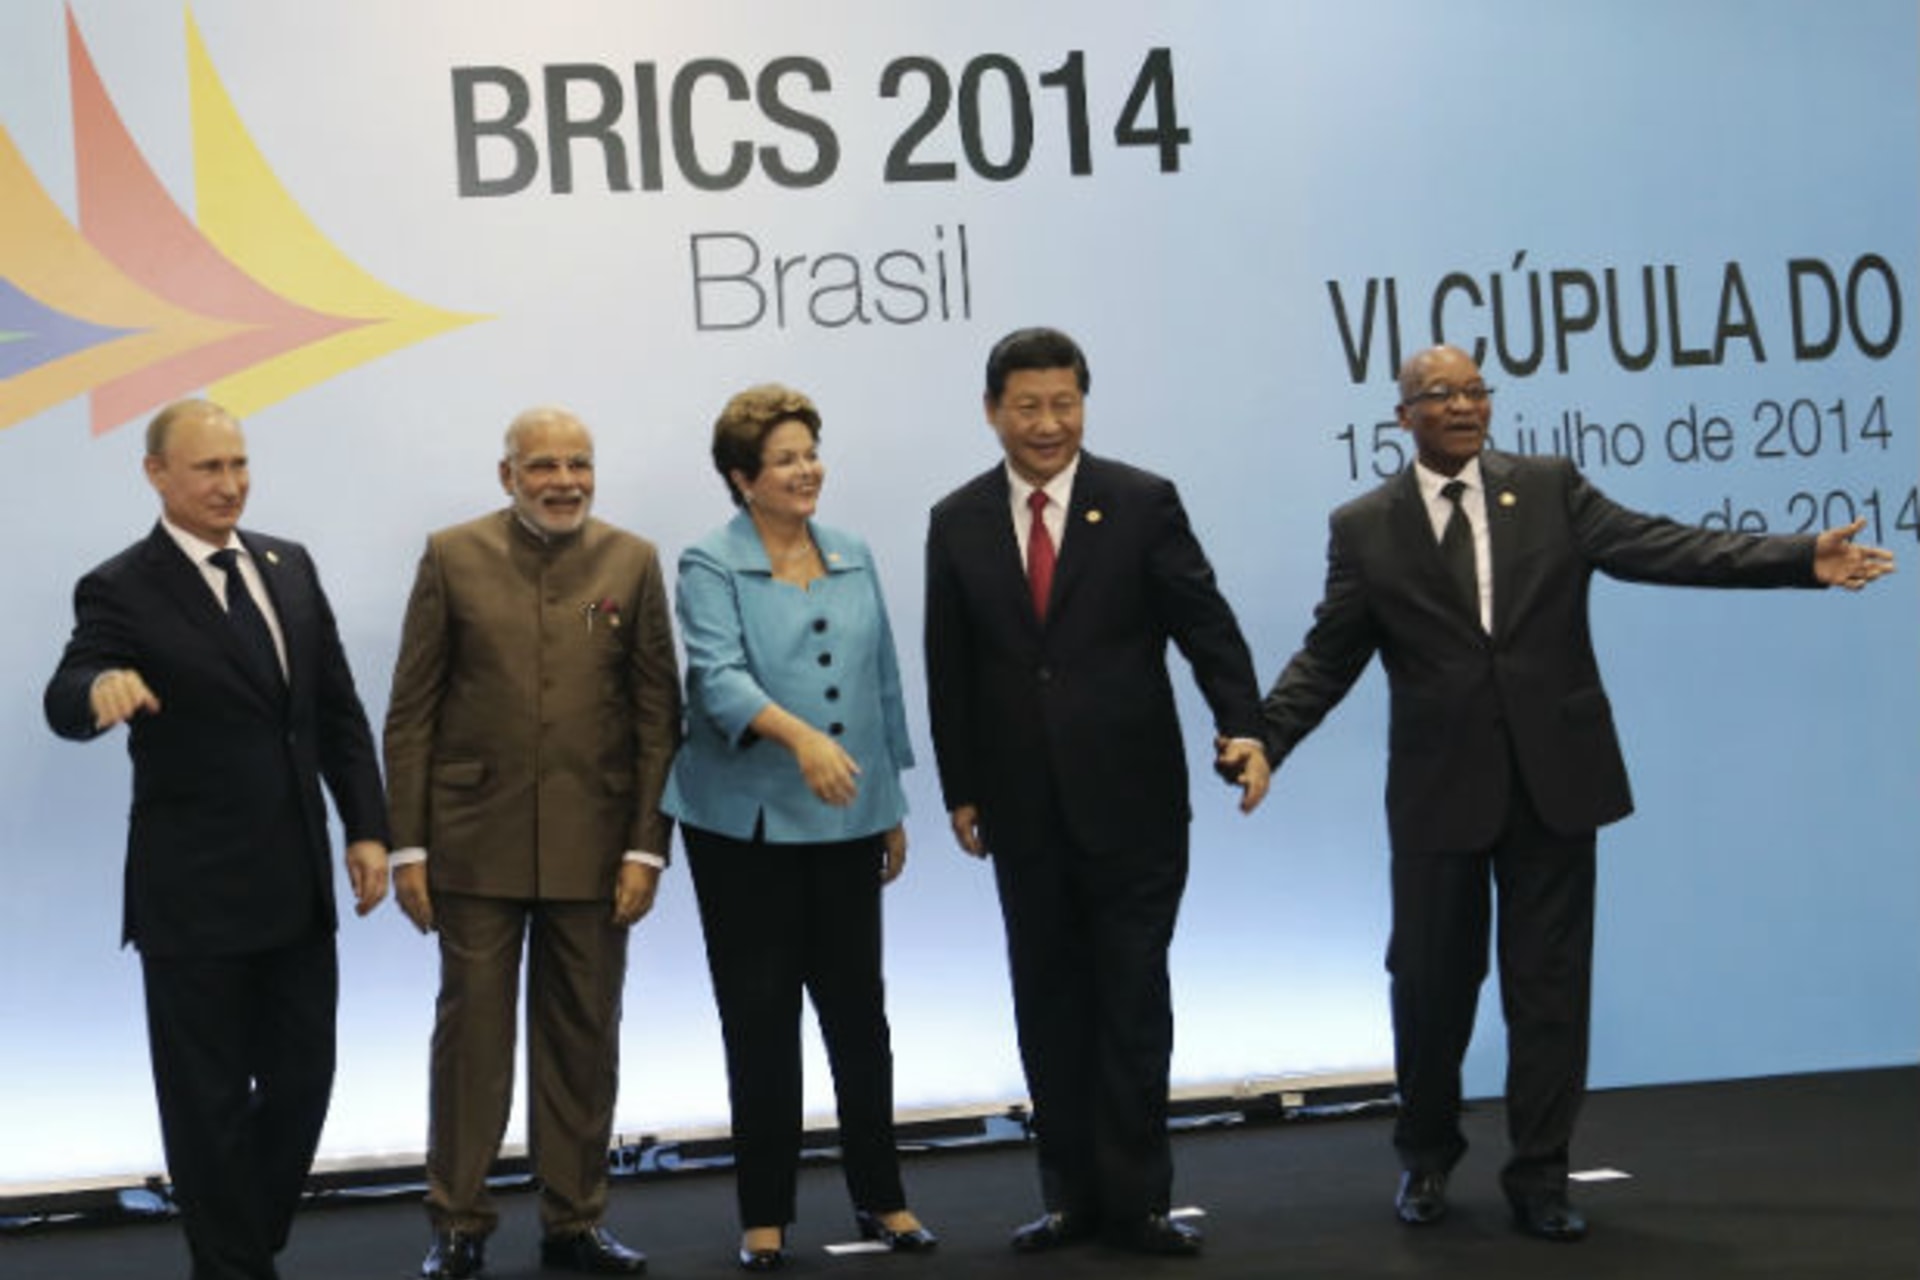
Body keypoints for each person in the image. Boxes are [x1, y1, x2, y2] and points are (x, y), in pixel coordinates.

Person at [1248, 344, 1897, 1242]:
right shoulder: (1365, 527)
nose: (1466, 405)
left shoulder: (1550, 488)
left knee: (1549, 989)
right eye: (1442, 394)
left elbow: (1669, 545)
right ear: (1402, 418)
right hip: (1440, 791)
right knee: (1431, 987)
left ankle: (1540, 1175)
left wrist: (1797, 558)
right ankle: (1427, 1157)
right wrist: (1267, 736)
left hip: (1555, 780)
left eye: (1477, 390)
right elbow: (1330, 653)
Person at [923, 327, 1271, 1258]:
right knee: (1047, 999)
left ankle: (1140, 1200)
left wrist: (1246, 726)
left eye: (1064, 403)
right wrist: (961, 787)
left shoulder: (1141, 502)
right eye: (1028, 406)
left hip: (1135, 802)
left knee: (1131, 996)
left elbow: (1206, 624)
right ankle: (1069, 1196)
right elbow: (948, 667)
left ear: (1085, 403)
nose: (1048, 423)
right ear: (993, 411)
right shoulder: (955, 519)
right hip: (1019, 808)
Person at [44, 398, 390, 1280]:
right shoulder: (121, 585)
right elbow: (70, 683)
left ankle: (238, 1241)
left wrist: (369, 829)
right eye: (208, 469)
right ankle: (234, 1265)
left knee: (304, 1084)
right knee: (204, 1106)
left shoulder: (290, 566)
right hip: (192, 897)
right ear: (157, 474)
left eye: (238, 465)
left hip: (298, 886)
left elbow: (335, 711)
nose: (229, 484)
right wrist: (100, 690)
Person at [383, 407, 681, 1279]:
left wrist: (645, 846)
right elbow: (413, 710)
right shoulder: (450, 554)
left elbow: (658, 714)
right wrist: (409, 846)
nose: (565, 481)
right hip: (472, 844)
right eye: (544, 464)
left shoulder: (631, 561)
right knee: (471, 1040)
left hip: (598, 849)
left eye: (580, 464)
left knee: (585, 1037)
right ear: (507, 474)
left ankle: (574, 1221)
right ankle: (459, 1223)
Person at [662, 384, 935, 1273]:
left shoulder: (852, 551)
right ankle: (765, 1216)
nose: (805, 469)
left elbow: (884, 676)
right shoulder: (708, 562)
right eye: (784, 458)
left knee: (861, 1017)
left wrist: (889, 801)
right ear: (744, 479)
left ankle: (884, 1197)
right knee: (761, 1017)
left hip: (848, 817)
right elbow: (718, 678)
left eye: (810, 451)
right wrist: (802, 738)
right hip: (742, 829)